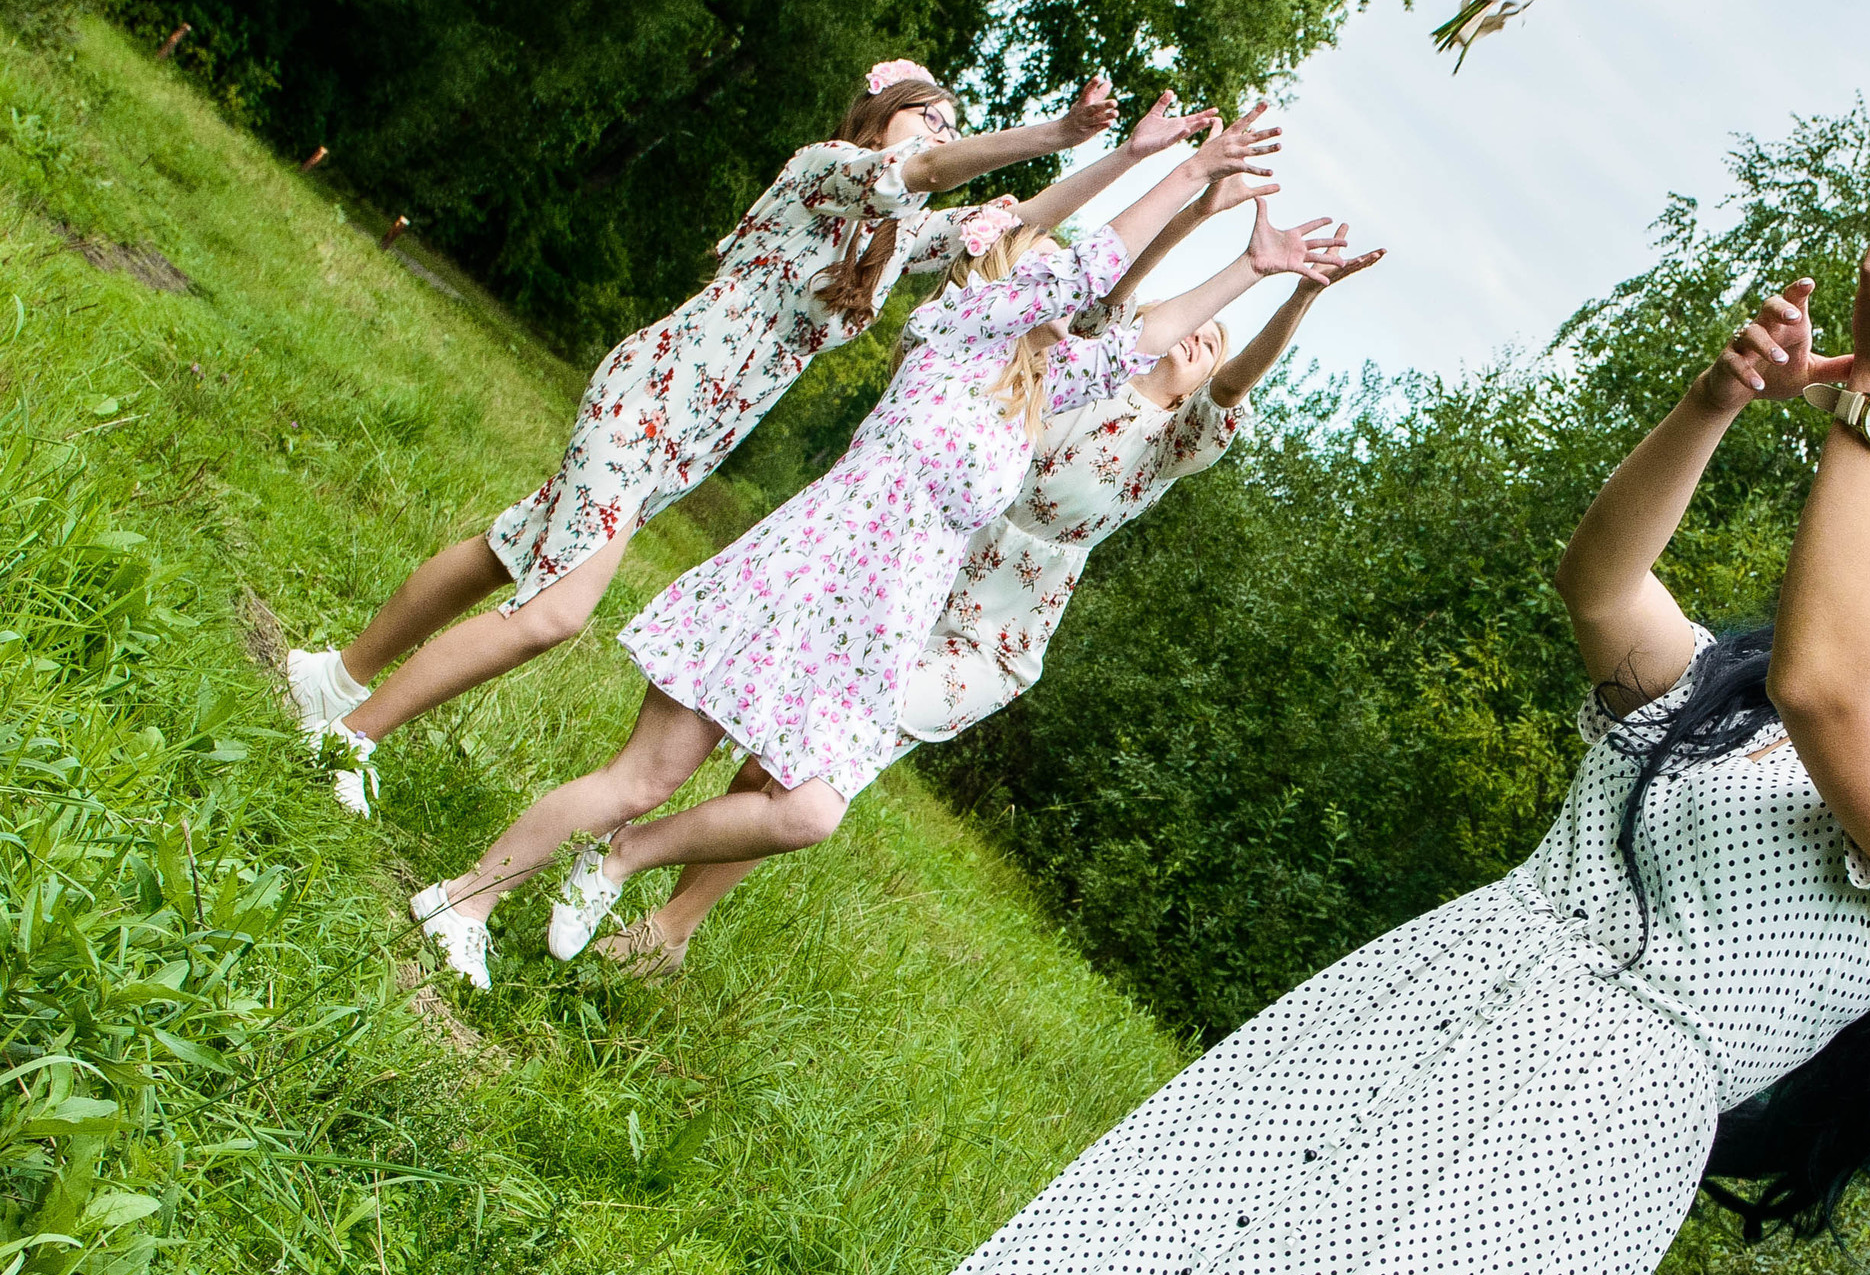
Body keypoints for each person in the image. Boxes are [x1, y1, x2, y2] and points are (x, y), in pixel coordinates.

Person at [870, 217, 1870, 1275]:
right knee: (1171, 1246)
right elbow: (1600, 584)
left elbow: (1826, 681)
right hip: (1445, 981)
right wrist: (1712, 402)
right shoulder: (1724, 700)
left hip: (1578, 1126)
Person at [408, 112, 1348, 989]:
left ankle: (617, 860)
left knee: (808, 810)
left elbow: (1142, 338)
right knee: (643, 776)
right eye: (1049, 274)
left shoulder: (1033, 392)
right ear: (1005, 278)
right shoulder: (952, 332)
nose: (1074, 292)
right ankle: (463, 900)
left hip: (869, 636)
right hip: (800, 579)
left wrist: (1252, 268)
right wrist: (1177, 167)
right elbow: (1088, 267)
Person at [283, 63, 1216, 817]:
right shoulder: (827, 170)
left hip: (693, 439)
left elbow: (1016, 226)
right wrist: (1056, 131)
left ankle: (333, 678)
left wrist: (1129, 158)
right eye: (926, 115)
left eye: (947, 121)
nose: (939, 132)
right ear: (880, 117)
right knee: (555, 610)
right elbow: (930, 172)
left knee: (514, 548)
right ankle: (349, 739)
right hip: (655, 393)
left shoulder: (893, 243)